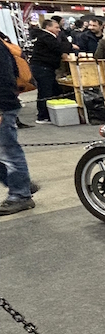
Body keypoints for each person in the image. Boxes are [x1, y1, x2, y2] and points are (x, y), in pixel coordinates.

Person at [0, 39, 37, 215]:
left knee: (8, 152)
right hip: (5, 104)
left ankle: (21, 195)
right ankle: (20, 182)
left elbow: (4, 77)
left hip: (3, 105)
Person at [29, 18, 76, 123]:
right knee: (45, 91)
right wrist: (70, 45)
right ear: (48, 27)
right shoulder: (46, 37)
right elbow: (58, 47)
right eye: (56, 27)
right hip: (43, 68)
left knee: (54, 90)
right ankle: (42, 116)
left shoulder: (45, 36)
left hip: (44, 67)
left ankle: (50, 113)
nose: (59, 30)